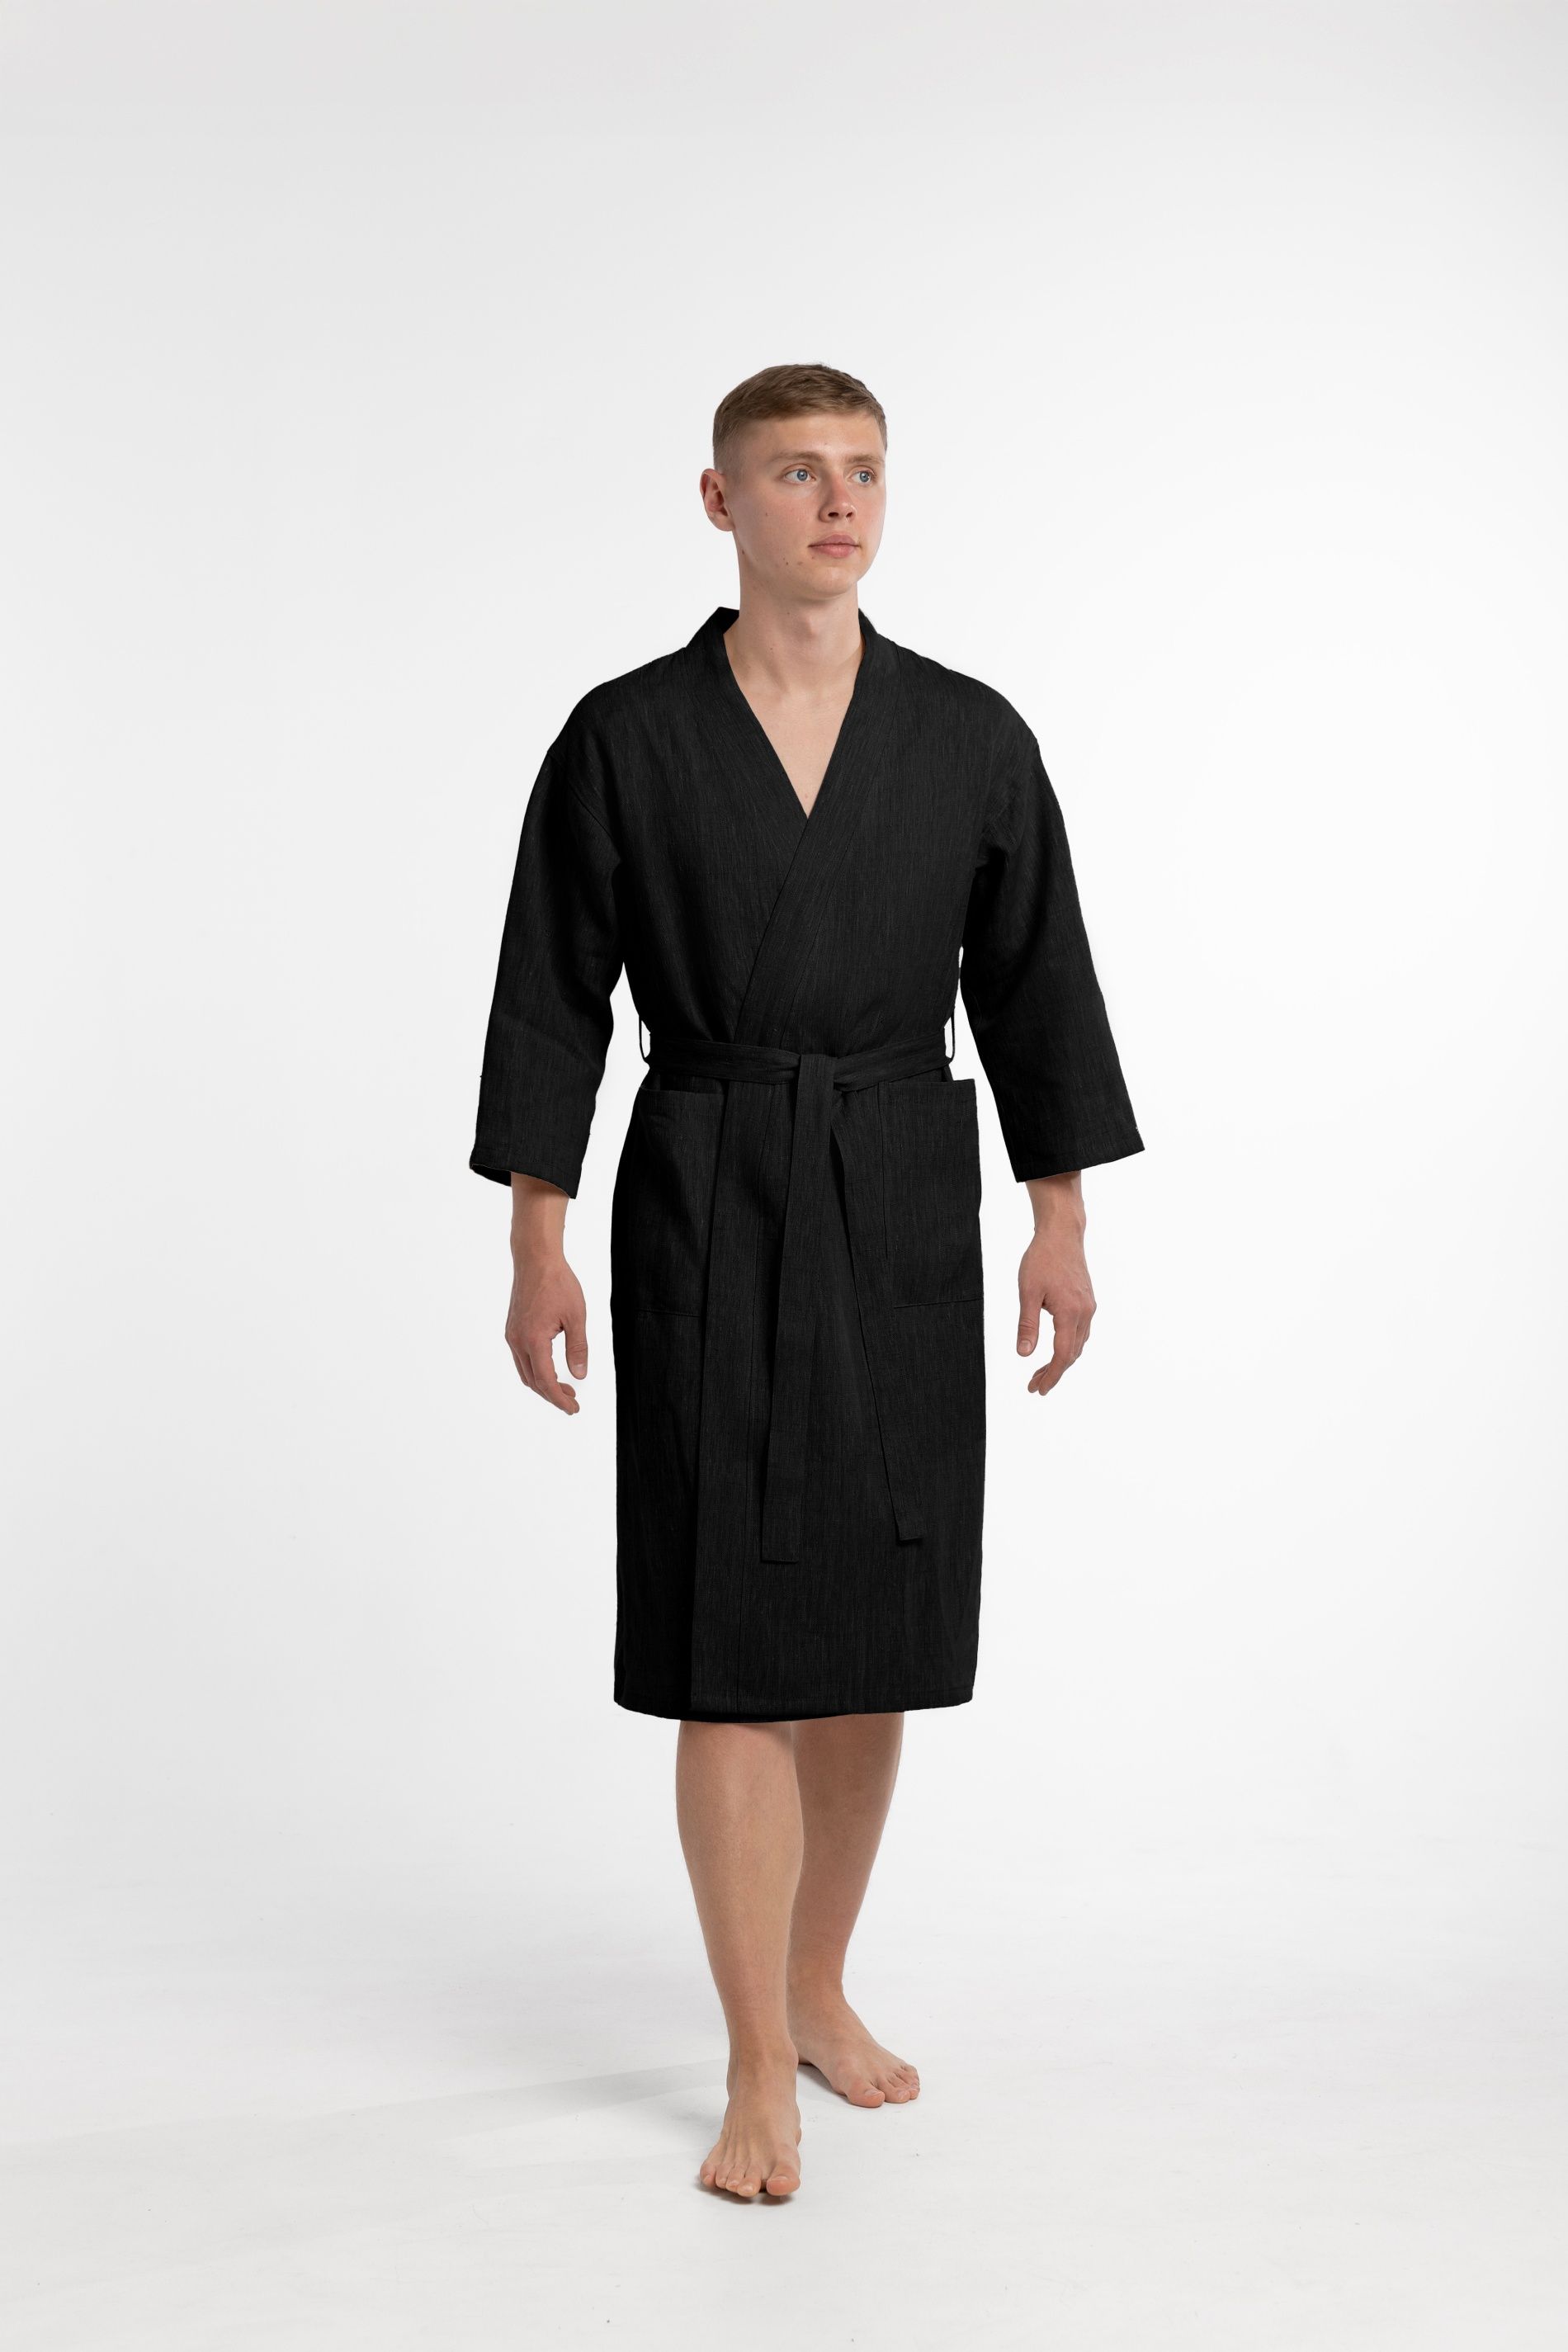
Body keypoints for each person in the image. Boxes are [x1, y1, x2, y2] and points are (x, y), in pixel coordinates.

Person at [468, 361, 1144, 2200]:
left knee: (868, 1631)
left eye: (860, 471)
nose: (836, 502)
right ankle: (753, 2058)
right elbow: (552, 992)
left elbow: (1036, 987)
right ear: (720, 501)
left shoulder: (968, 735)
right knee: (729, 1636)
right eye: (793, 472)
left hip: (902, 1190)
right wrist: (536, 1236)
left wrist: (1059, 1217)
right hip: (706, 1181)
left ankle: (818, 1984)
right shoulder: (625, 736)